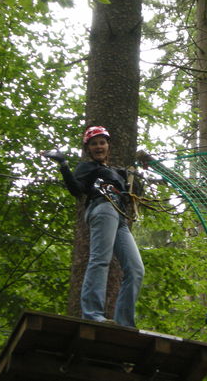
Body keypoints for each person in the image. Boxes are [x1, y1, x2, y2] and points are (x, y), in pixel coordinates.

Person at [42, 125, 144, 327]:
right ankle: (92, 314)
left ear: (108, 145)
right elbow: (76, 190)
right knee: (100, 260)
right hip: (103, 208)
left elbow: (135, 192)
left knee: (135, 269)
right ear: (88, 149)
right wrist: (63, 165)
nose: (99, 147)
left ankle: (124, 322)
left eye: (102, 142)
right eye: (94, 144)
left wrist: (134, 174)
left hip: (120, 217)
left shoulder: (115, 172)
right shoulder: (87, 168)